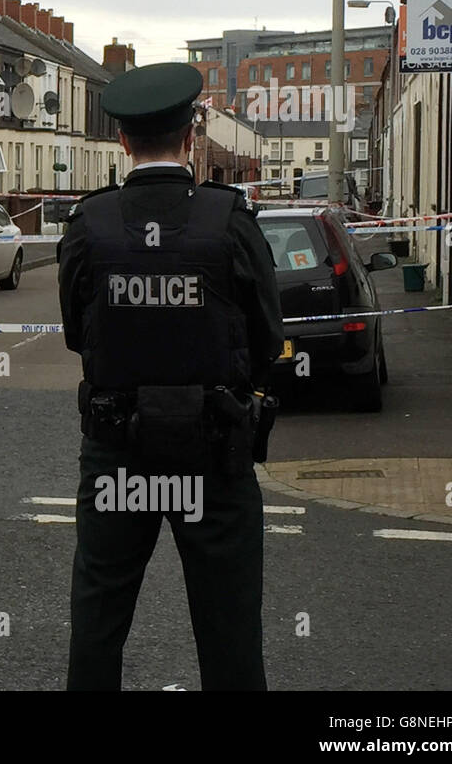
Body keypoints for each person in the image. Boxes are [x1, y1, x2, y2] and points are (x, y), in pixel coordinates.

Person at [58, 62, 284, 691]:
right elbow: (268, 337)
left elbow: (78, 334)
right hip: (214, 455)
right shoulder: (230, 220)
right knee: (230, 631)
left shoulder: (90, 224)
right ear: (190, 136)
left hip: (117, 454)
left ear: (122, 141)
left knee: (98, 622)